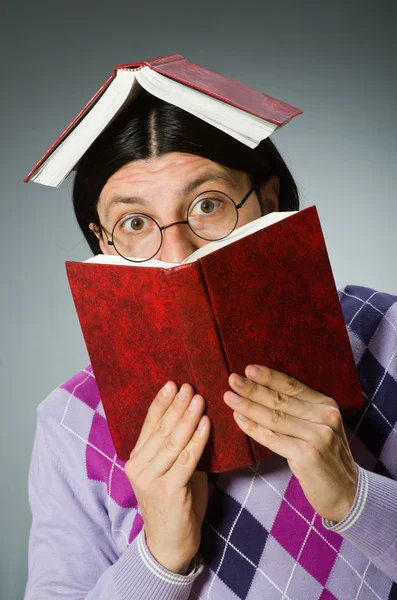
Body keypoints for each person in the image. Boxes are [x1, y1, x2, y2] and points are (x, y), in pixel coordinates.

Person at [25, 88, 397, 599]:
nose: (178, 252)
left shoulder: (390, 332)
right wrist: (159, 558)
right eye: (135, 223)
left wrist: (355, 498)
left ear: (267, 201)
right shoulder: (70, 418)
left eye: (208, 204)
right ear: (104, 241)